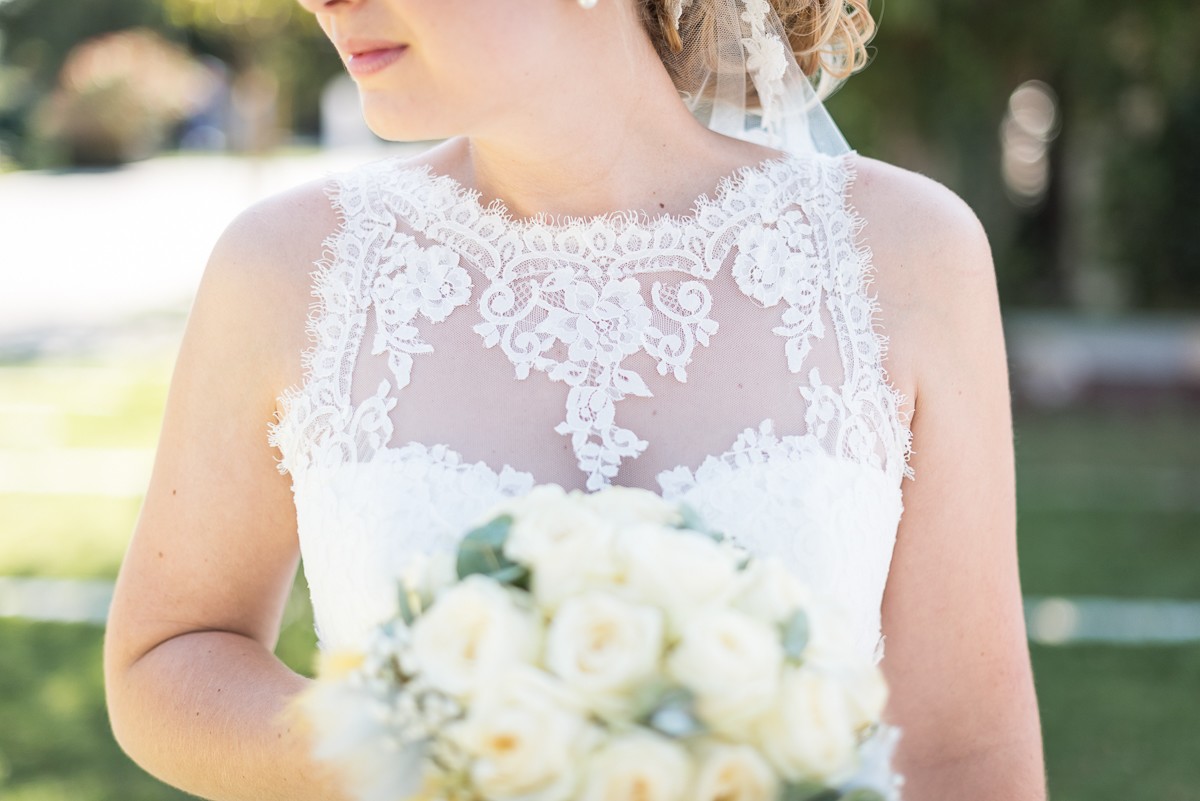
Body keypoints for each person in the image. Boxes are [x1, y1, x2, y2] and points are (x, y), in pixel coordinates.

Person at [103, 1, 1047, 799]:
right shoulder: (287, 268)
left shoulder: (905, 255)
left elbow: (970, 759)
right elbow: (169, 655)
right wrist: (419, 745)